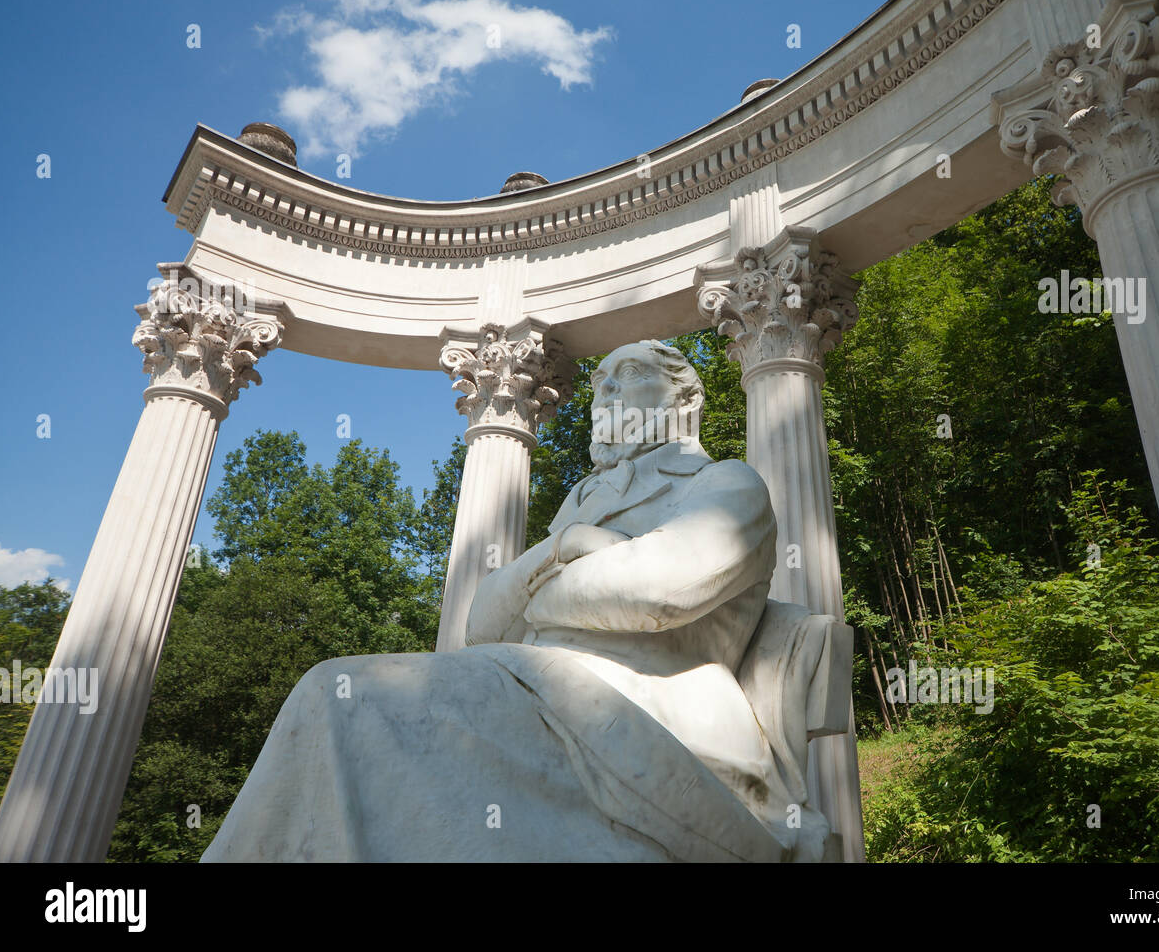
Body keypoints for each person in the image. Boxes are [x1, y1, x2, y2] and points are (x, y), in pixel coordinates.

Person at [202, 340, 832, 862]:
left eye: (630, 374)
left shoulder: (727, 483)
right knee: (331, 694)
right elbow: (481, 623)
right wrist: (560, 550)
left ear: (686, 398)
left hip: (652, 711)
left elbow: (658, 591)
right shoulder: (582, 506)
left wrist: (541, 597)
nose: (606, 392)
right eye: (600, 383)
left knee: (347, 700)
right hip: (535, 686)